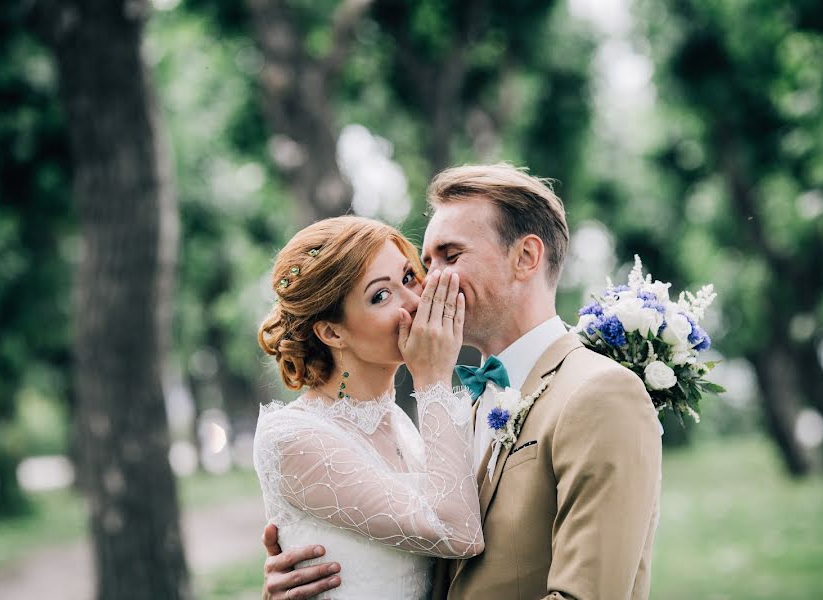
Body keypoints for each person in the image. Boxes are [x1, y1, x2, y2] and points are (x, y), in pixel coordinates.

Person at [262, 164, 663, 600]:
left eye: (449, 258)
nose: (428, 285)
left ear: (526, 257)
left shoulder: (598, 393)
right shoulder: (460, 408)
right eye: (426, 264)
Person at [254, 216, 484, 599]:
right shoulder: (293, 439)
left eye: (409, 278)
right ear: (332, 332)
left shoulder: (400, 424)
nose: (413, 303)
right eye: (381, 295)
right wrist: (432, 378)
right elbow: (458, 534)